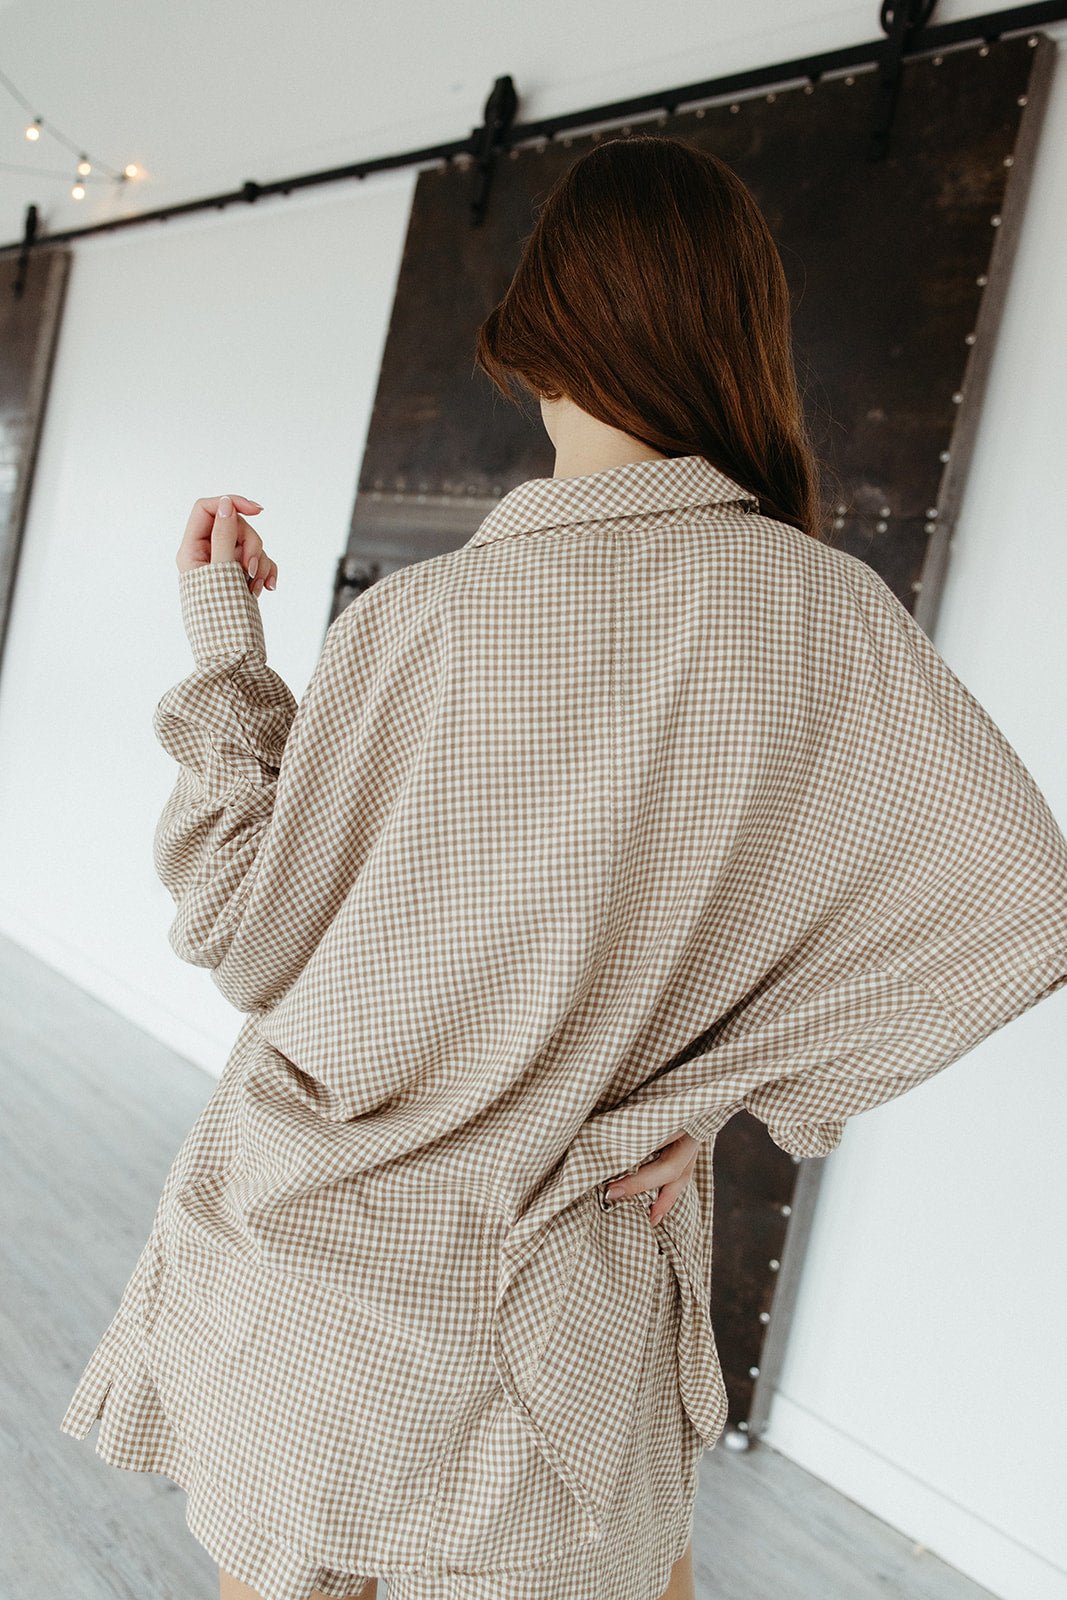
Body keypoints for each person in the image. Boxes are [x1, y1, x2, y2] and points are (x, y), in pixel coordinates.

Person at [60, 136, 1067, 1600]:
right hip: (561, 1321)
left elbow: (244, 932)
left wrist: (229, 658)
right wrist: (718, 1093)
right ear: (738, 346)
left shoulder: (416, 624)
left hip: (318, 1288)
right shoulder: (825, 621)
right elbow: (1018, 908)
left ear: (537, 344)